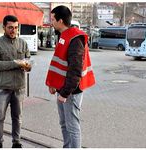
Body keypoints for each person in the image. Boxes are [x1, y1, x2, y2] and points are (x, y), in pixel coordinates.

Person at [45, 6, 96, 148]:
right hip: (63, 89)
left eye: (53, 19)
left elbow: (75, 71)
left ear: (60, 21)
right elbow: (60, 65)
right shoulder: (64, 36)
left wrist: (65, 93)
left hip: (71, 92)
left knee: (72, 127)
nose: (51, 22)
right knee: (64, 124)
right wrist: (53, 84)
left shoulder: (74, 39)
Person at [0, 15, 31, 148]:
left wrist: (28, 65)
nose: (14, 30)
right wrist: (14, 63)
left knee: (17, 118)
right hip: (2, 87)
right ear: (4, 28)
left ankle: (16, 142)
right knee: (0, 117)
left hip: (18, 87)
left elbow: (28, 61)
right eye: (10, 28)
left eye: (16, 27)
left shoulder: (23, 43)